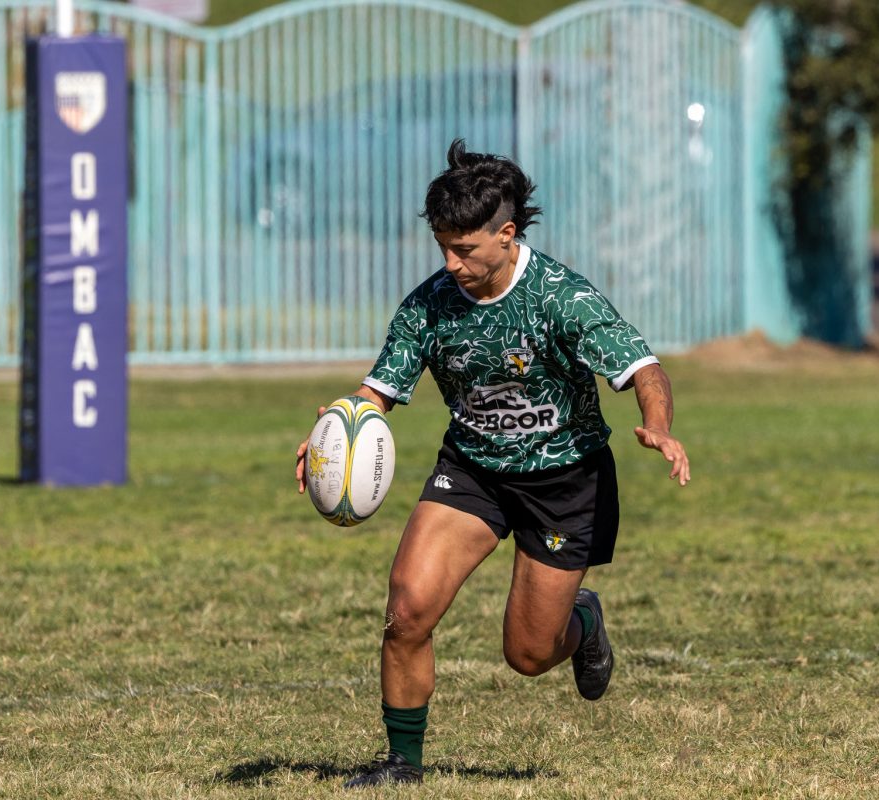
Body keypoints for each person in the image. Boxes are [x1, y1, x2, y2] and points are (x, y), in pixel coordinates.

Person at [294, 139, 690, 789]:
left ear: (506, 235)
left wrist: (659, 426)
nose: (450, 263)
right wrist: (333, 430)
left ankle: (583, 619)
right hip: (473, 472)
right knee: (407, 610)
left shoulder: (561, 297)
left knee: (529, 654)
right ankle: (403, 765)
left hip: (565, 483)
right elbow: (379, 393)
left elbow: (643, 368)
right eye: (442, 247)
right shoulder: (429, 307)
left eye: (465, 249)